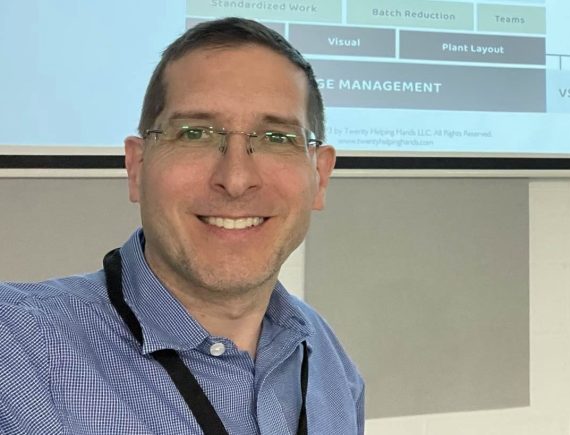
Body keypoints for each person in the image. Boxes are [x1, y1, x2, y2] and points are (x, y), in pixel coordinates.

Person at [0, 17, 364, 435]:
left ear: (320, 176)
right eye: (195, 134)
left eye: (276, 138)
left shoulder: (330, 365)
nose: (236, 179)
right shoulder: (18, 348)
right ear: (137, 167)